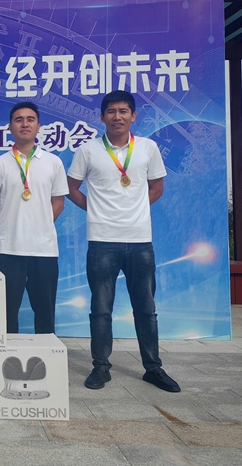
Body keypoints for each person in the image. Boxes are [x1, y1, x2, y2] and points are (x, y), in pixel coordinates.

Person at [67, 90, 180, 393]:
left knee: (146, 309)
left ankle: (153, 368)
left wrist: (135, 210)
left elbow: (157, 187)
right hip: (101, 241)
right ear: (102, 116)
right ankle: (101, 368)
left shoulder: (147, 147)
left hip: (140, 240)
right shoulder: (88, 150)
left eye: (123, 111)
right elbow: (71, 187)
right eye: (111, 111)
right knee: (101, 309)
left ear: (133, 116)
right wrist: (96, 210)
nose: (117, 116)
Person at [0, 101, 68, 335]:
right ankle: (8, 353)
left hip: (44, 250)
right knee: (7, 311)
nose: (25, 124)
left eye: (30, 119)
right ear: (10, 127)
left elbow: (58, 202)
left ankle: (45, 353)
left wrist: (40, 225)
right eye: (18, 120)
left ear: (38, 126)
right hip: (9, 249)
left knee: (45, 311)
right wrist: (10, 225)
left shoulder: (53, 162)